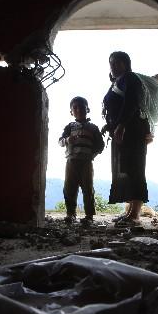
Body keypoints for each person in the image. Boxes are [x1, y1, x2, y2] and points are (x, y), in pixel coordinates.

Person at [102, 51, 151, 225]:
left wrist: (121, 126)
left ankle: (135, 215)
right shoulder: (118, 81)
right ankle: (130, 211)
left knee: (135, 169)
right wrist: (110, 125)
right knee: (128, 169)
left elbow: (132, 103)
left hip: (132, 132)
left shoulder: (130, 79)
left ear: (126, 64)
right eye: (111, 63)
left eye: (117, 63)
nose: (113, 66)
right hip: (123, 131)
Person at [59, 96, 105, 225]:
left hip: (87, 162)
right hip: (71, 161)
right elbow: (60, 142)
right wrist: (68, 140)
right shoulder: (69, 127)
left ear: (88, 109)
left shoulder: (93, 128)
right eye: (75, 107)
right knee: (69, 188)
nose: (78, 109)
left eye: (82, 107)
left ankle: (89, 216)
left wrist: (92, 155)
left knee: (88, 188)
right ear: (71, 112)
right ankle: (71, 213)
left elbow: (100, 145)